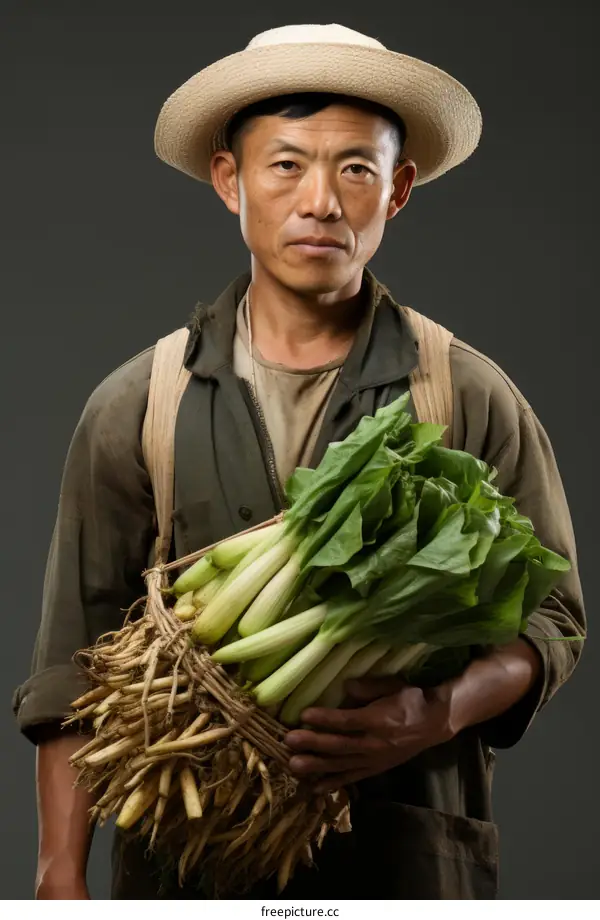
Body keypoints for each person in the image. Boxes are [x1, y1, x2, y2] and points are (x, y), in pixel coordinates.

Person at [13, 23, 585, 900]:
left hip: (407, 868)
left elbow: (553, 620)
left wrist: (434, 714)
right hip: (180, 871)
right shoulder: (140, 402)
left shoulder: (467, 394)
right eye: (286, 165)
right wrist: (59, 878)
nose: (321, 200)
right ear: (229, 181)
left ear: (396, 192)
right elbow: (70, 663)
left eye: (356, 169)